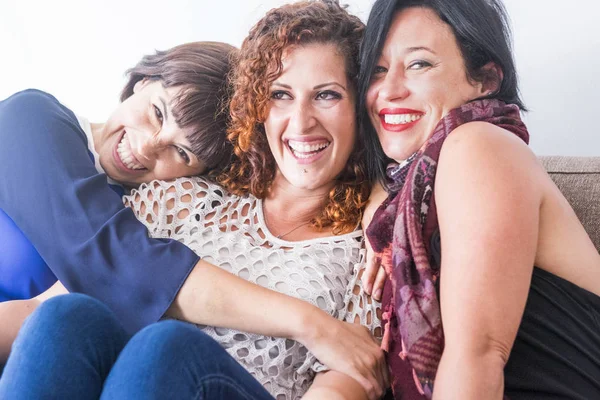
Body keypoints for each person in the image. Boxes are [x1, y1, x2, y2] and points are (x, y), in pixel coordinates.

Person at [0, 1, 388, 399]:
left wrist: (382, 193)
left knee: (165, 348)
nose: (302, 121)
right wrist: (309, 322)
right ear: (258, 108)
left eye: (326, 95)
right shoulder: (186, 197)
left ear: (360, 109)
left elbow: (347, 380)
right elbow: (56, 302)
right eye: (280, 94)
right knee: (65, 317)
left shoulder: (370, 252)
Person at [358, 0, 600, 398]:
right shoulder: (407, 193)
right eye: (378, 70)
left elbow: (478, 355)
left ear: (485, 79)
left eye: (419, 64)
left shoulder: (479, 145)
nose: (389, 89)